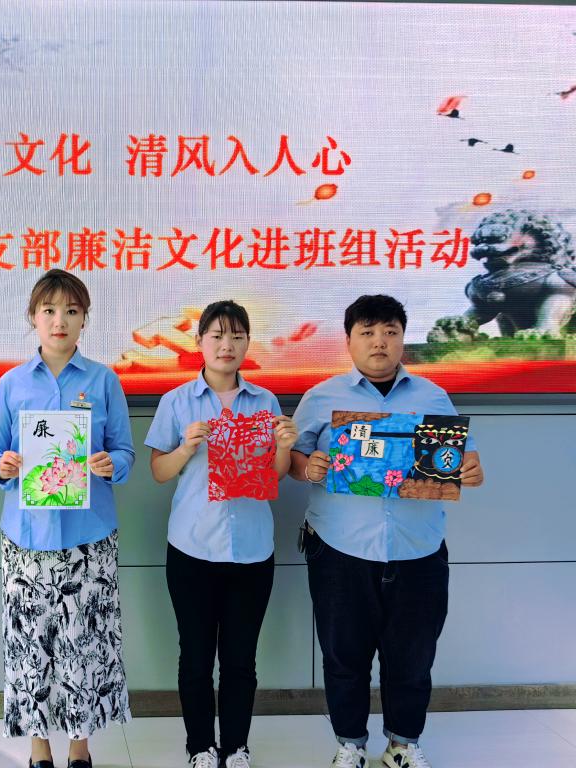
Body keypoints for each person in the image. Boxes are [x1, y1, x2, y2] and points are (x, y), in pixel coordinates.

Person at [289, 295, 485, 768]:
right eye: (368, 332)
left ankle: (402, 743)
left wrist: (471, 470)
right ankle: (350, 743)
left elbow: (460, 460)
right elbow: (293, 458)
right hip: (340, 548)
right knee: (343, 655)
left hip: (418, 549)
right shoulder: (321, 396)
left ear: (402, 338)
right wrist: (307, 467)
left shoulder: (433, 397)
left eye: (390, 331)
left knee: (413, 657)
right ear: (349, 340)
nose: (379, 341)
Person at [0, 269, 135, 768]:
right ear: (33, 317)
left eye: (71, 310)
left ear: (84, 318)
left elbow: (126, 451)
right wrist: (2, 466)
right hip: (25, 540)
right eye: (48, 310)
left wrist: (112, 465)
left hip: (89, 539)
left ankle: (80, 748)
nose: (59, 320)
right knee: (31, 646)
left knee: (83, 646)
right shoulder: (11, 383)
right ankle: (38, 749)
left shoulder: (103, 380)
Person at [145, 300, 297, 768]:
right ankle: (199, 746)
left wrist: (285, 448)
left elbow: (275, 476)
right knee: (194, 657)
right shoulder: (177, 401)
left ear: (248, 343)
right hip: (192, 548)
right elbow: (158, 471)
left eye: (236, 336)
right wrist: (186, 448)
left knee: (240, 659)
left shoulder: (265, 402)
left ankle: (235, 746)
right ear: (199, 342)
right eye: (216, 335)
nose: (226, 345)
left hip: (251, 548)